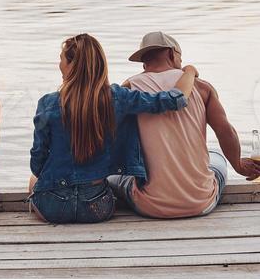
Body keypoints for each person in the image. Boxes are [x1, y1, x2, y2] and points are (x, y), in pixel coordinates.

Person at [28, 33, 198, 224]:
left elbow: (37, 165)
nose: (59, 65)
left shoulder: (47, 103)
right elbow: (177, 99)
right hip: (96, 207)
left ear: (71, 65)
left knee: (33, 181)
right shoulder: (119, 97)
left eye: (61, 60)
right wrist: (189, 71)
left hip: (53, 208)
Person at [108, 31, 260, 219]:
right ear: (172, 54)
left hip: (150, 206)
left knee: (113, 178)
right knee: (216, 155)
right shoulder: (202, 87)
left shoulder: (130, 88)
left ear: (144, 61)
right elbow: (226, 131)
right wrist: (237, 165)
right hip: (202, 201)